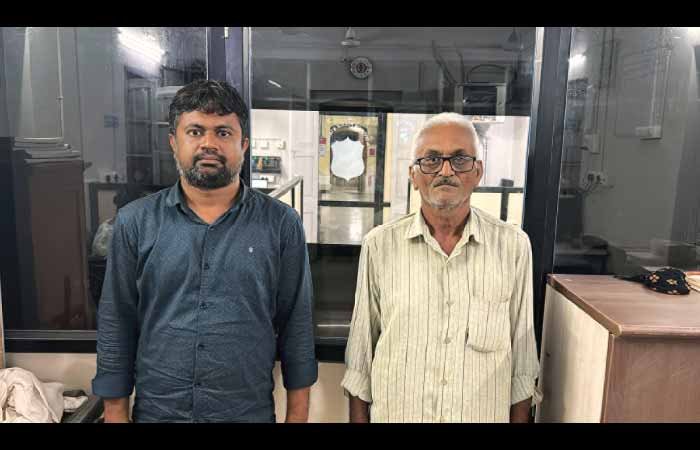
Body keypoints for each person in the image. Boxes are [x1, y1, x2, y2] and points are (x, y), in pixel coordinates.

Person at [92, 80, 317, 423]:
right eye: (195, 131)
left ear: (243, 144)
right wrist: (115, 414)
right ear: (174, 142)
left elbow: (296, 326)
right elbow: (116, 323)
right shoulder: (136, 222)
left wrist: (297, 417)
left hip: (247, 415)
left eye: (223, 132)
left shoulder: (280, 224)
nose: (208, 143)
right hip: (159, 414)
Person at [341, 112, 541, 423]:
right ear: (413, 174)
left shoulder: (513, 247)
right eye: (431, 160)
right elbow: (360, 359)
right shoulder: (379, 245)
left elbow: (524, 363)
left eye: (460, 160)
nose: (446, 171)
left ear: (478, 172)